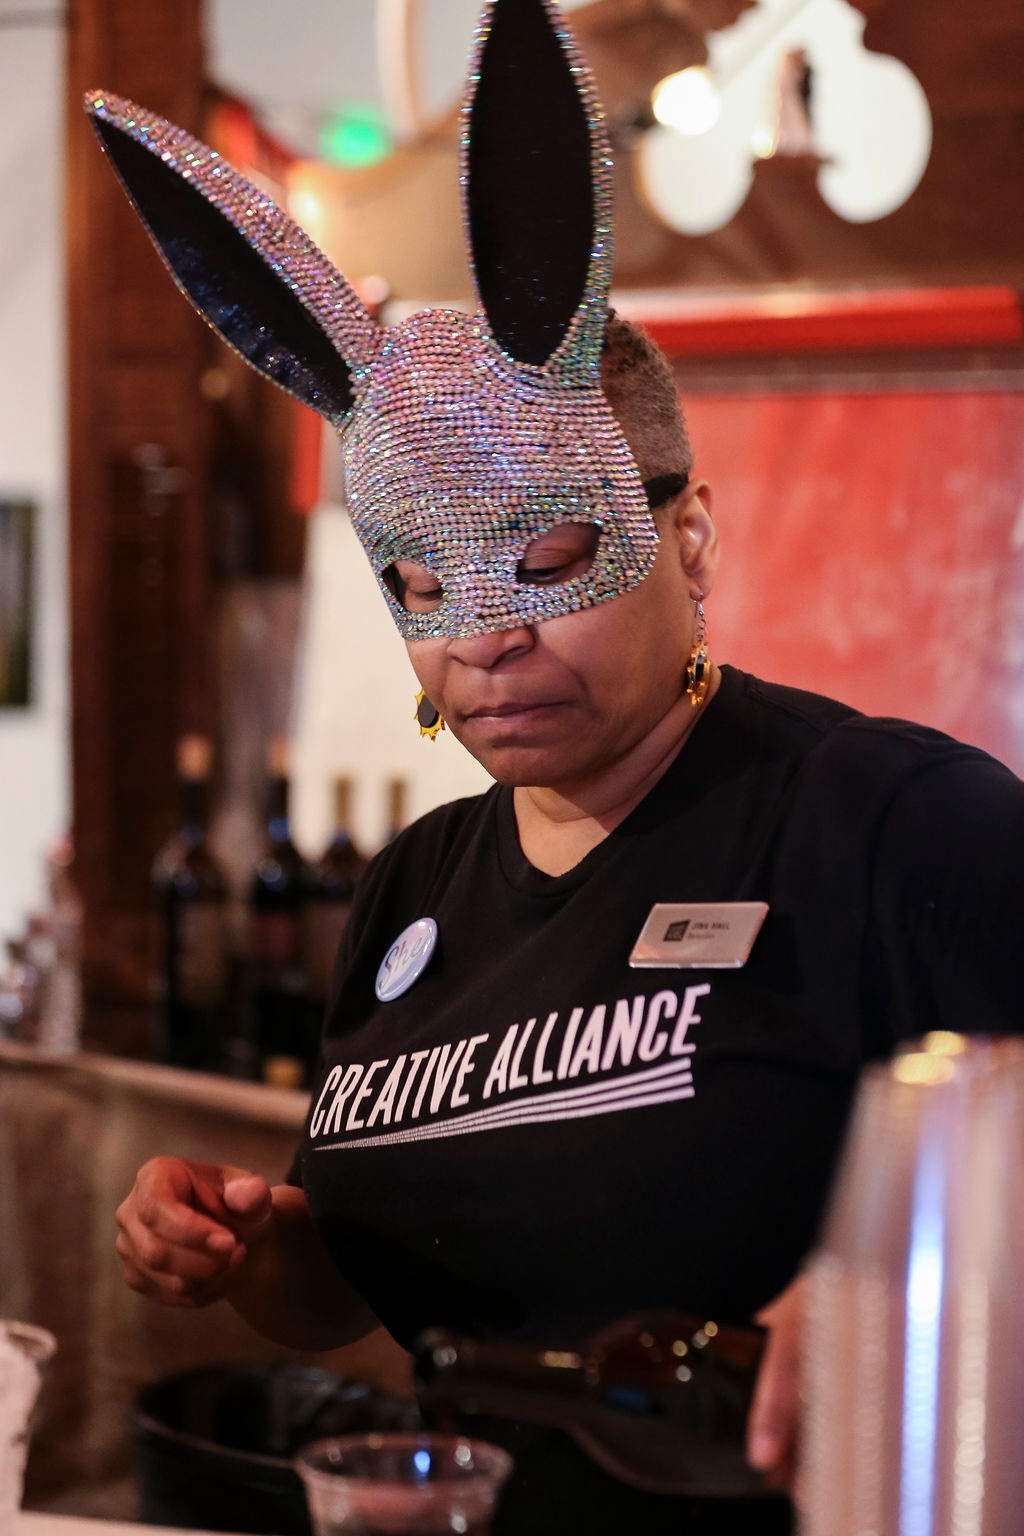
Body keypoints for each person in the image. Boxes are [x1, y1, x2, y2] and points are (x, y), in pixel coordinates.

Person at [94, 1, 1024, 1532]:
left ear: (692, 539)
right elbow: (363, 1275)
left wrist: (892, 1294)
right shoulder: (413, 891)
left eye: (545, 559)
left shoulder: (892, 823)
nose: (486, 639)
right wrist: (256, 1248)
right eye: (421, 586)